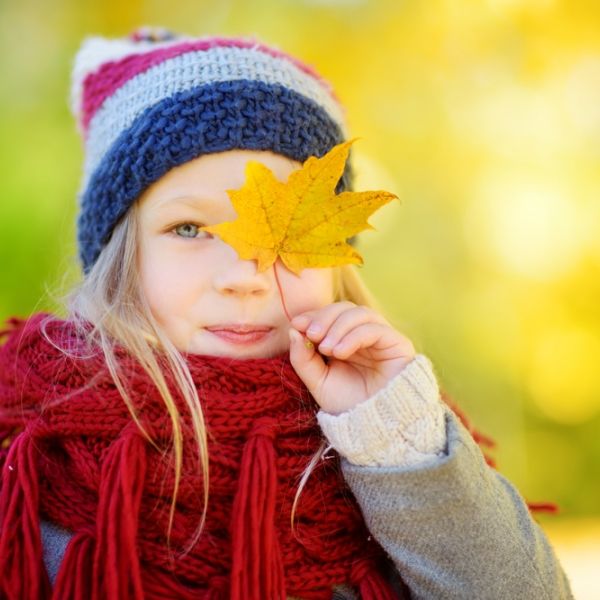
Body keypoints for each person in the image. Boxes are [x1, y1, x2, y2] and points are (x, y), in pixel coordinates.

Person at [0, 26, 574, 600]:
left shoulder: (388, 430)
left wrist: (397, 441)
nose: (245, 276)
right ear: (121, 257)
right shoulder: (34, 447)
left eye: (288, 237)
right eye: (190, 229)